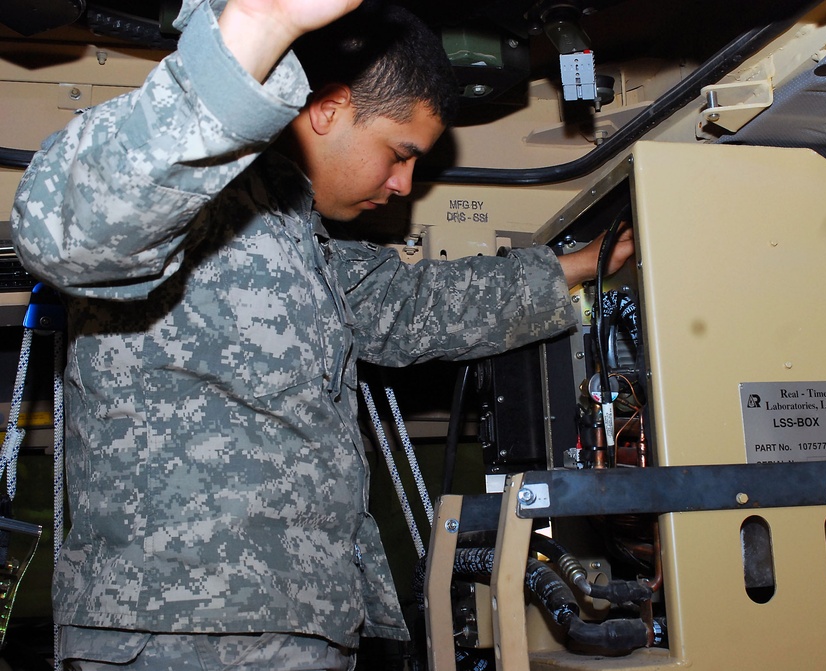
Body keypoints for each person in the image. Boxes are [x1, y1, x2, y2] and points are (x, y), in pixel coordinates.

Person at [10, 0, 634, 668]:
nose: (403, 186)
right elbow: (65, 229)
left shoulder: (297, 234)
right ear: (328, 108)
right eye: (400, 154)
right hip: (181, 631)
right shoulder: (192, 184)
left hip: (292, 627)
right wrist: (263, 23)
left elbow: (409, 303)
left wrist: (572, 267)